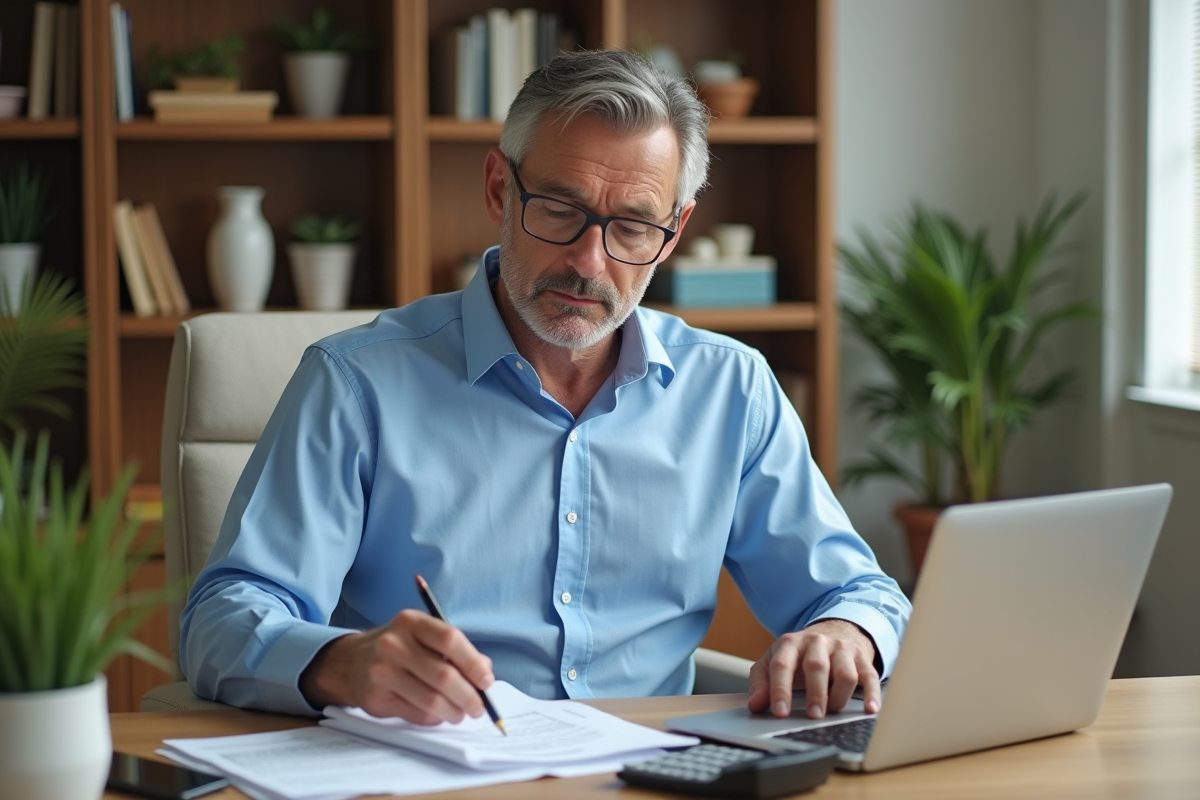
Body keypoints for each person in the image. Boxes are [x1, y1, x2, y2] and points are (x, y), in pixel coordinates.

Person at [180, 49, 910, 727]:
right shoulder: (356, 383)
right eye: (559, 210)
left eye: (631, 227)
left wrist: (843, 634)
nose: (589, 263)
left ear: (676, 229)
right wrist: (341, 665)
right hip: (435, 769)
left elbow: (862, 594)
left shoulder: (731, 390)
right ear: (500, 185)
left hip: (654, 771)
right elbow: (223, 616)